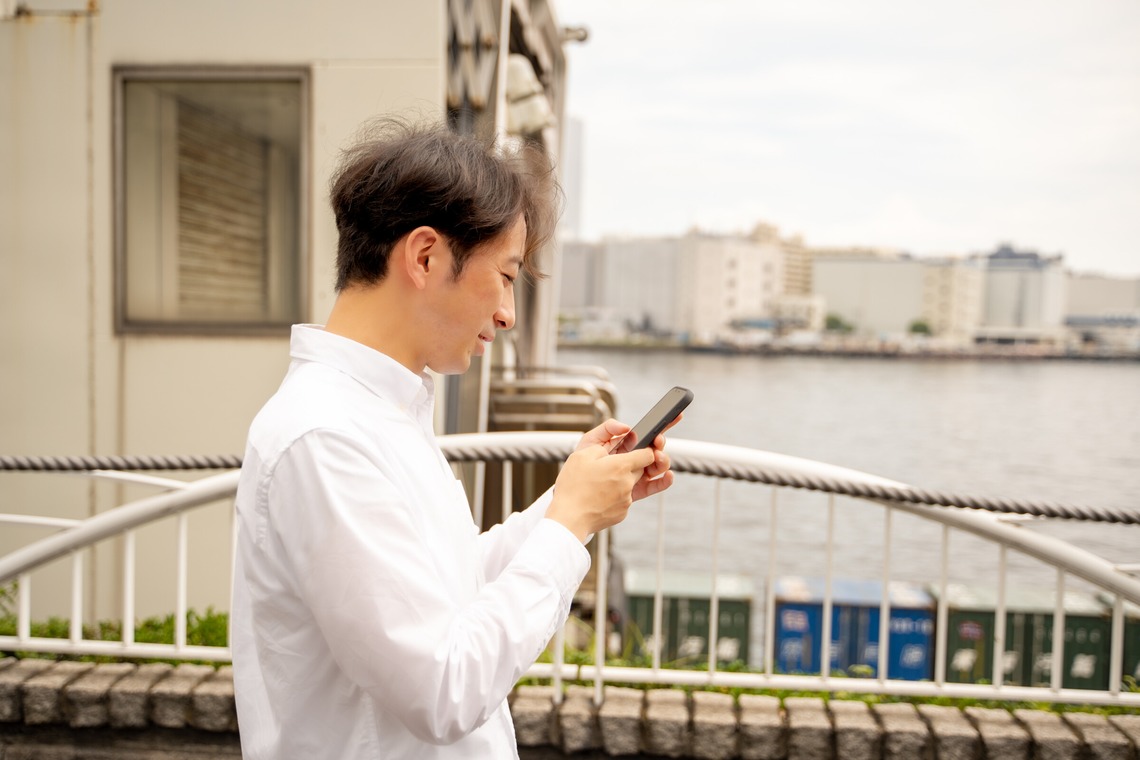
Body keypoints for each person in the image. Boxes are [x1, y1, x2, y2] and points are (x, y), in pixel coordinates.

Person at [230, 120, 678, 759]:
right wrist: (570, 523)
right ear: (424, 256)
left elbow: (454, 586)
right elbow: (441, 687)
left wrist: (568, 501)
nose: (507, 313)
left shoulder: (378, 413)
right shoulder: (325, 436)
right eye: (505, 275)